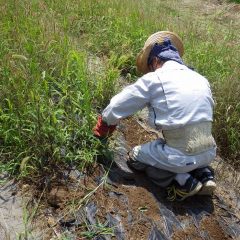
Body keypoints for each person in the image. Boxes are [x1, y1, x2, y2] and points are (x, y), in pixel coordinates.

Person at [93, 31, 217, 201]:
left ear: (156, 61)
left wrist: (104, 126)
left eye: (150, 65)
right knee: (176, 148)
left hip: (180, 158)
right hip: (209, 152)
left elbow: (116, 106)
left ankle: (182, 181)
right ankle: (204, 174)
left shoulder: (156, 79)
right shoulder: (201, 79)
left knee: (135, 158)